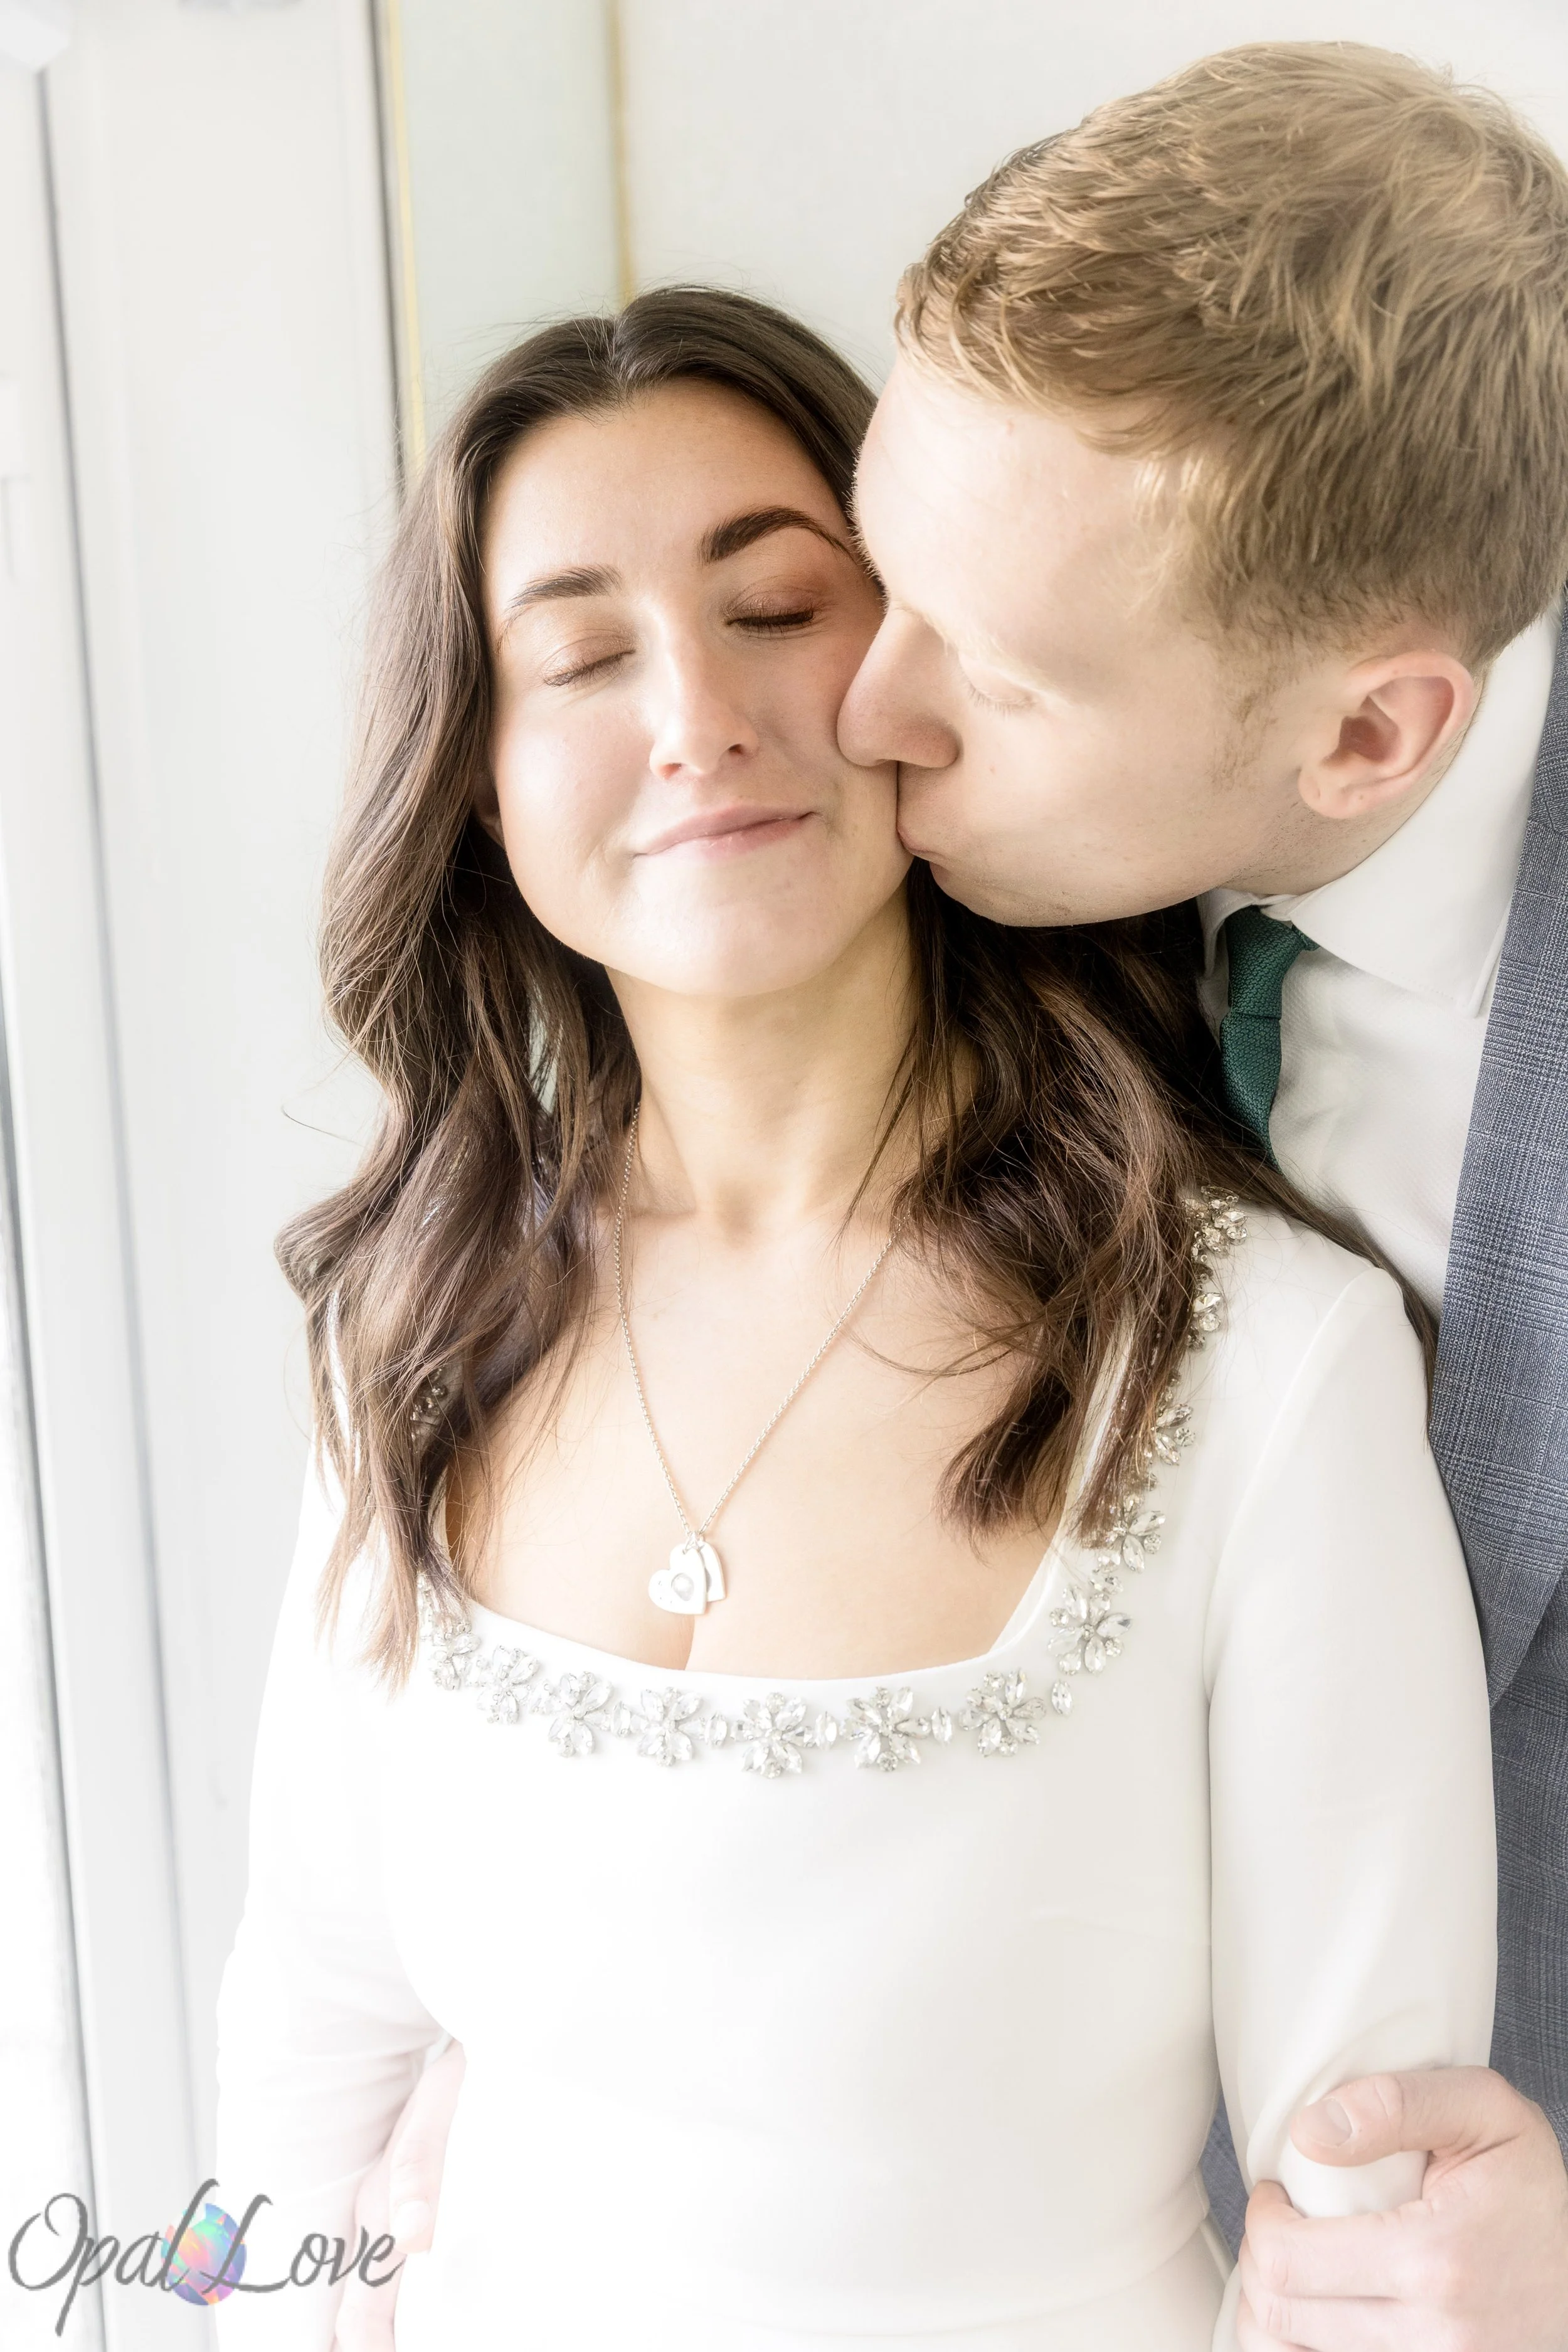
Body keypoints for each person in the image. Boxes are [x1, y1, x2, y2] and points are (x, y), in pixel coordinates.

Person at [213, 287, 1495, 2352]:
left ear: (922, 664)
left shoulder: (1260, 1363)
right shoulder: (407, 1325)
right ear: (479, 773)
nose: (694, 715)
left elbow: (1365, 2230)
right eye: (580, 651)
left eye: (776, 607)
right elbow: (315, 2031)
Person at [839, 40, 1568, 2351]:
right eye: (881, 568)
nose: (864, 708)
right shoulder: (932, 871)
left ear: (1371, 734)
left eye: (1006, 681)